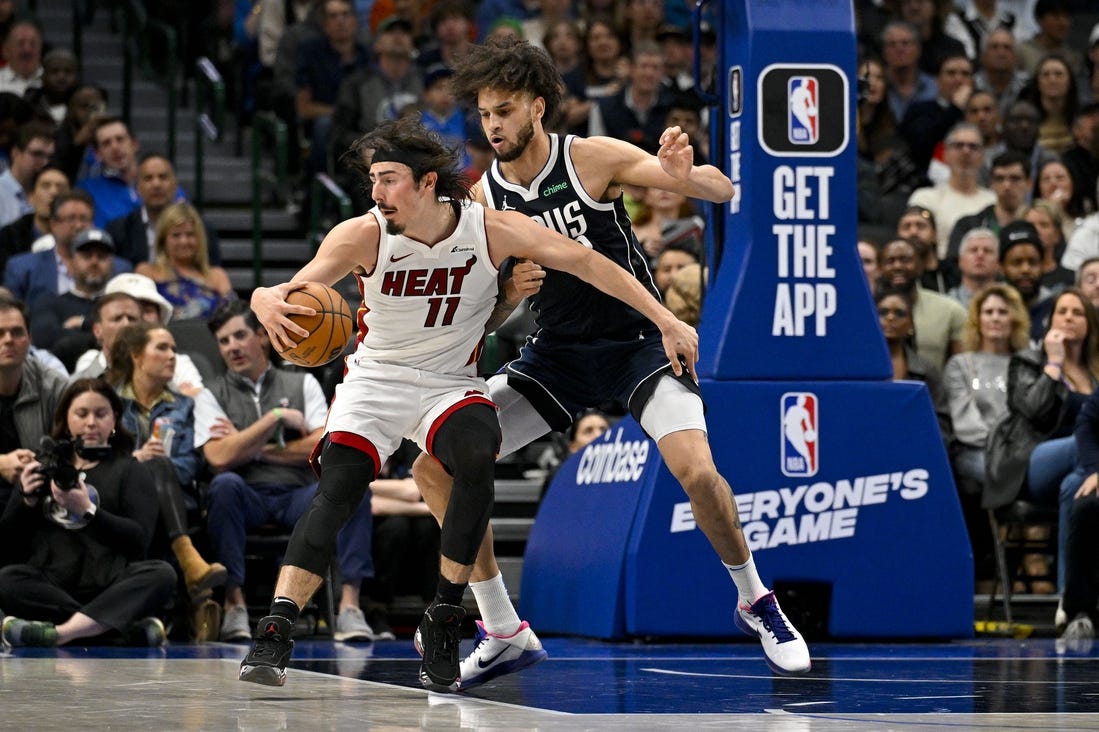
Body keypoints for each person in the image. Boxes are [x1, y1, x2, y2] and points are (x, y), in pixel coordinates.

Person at [238, 115, 700, 691]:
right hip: (376, 379)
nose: (377, 194)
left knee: (477, 453)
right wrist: (262, 298)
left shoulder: (490, 228)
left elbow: (586, 261)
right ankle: (277, 628)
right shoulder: (363, 234)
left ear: (428, 182)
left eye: (389, 180)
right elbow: (291, 288)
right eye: (373, 181)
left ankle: (445, 616)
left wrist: (664, 317)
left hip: (449, 380)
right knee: (339, 490)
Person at [407, 36, 812, 688]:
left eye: (504, 111)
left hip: (639, 343)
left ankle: (754, 600)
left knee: (699, 476)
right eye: (484, 114)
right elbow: (490, 317)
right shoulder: (483, 199)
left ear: (538, 107)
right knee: (434, 467)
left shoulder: (589, 158)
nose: (493, 126)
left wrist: (681, 175)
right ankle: (502, 627)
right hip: (557, 355)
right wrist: (510, 294)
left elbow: (721, 186)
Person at [197, 300, 376, 643]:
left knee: (353, 488)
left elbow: (322, 447)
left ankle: (350, 608)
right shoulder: (211, 394)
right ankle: (234, 606)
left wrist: (248, 447)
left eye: (239, 336)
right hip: (247, 495)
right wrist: (273, 420)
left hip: (298, 494)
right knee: (223, 484)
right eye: (223, 341)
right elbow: (218, 458)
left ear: (262, 337)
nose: (232, 346)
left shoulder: (302, 383)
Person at [0, 378, 177, 648]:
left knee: (162, 574)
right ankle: (114, 628)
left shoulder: (130, 469)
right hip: (55, 585)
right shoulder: (43, 467)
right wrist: (25, 499)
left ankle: (60, 634)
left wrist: (88, 512)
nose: (91, 423)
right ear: (66, 418)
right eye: (81, 414)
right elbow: (8, 543)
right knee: (6, 579)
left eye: (100, 414)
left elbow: (139, 540)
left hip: (110, 582)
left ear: (115, 419)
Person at [104, 321, 228, 621]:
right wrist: (137, 461)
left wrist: (156, 466)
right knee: (151, 464)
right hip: (122, 495)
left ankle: (162, 606)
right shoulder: (110, 403)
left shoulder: (185, 405)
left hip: (175, 496)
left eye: (174, 348)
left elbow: (190, 464)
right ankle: (194, 588)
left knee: (161, 465)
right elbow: (103, 458)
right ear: (136, 355)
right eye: (162, 348)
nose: (173, 355)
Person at [985, 288, 1099, 592]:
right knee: (1080, 448)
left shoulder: (1096, 373)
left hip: (1083, 469)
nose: (1069, 318)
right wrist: (1054, 364)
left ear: (1089, 323)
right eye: (1062, 312)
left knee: (1074, 488)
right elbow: (1032, 411)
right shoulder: (1027, 362)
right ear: (1050, 322)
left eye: (1077, 313)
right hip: (1032, 462)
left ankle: (1070, 602)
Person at [943, 284, 1031, 579]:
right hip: (975, 451)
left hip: (1020, 452)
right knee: (1000, 473)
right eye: (988, 312)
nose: (995, 318)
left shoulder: (1028, 363)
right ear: (977, 320)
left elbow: (1033, 418)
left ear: (1014, 319)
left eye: (1003, 312)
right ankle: (995, 564)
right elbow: (965, 423)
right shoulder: (960, 365)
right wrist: (1005, 447)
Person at [0, 291, 67, 508]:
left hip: (41, 496)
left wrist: (42, 464)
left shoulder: (53, 385)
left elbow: (70, 448)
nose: (8, 340)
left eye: (17, 332)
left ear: (30, 338)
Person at [135, 202, 234, 320]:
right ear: (163, 240)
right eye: (176, 235)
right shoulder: (147, 272)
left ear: (199, 238)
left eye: (190, 234)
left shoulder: (217, 276)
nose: (184, 241)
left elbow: (234, 316)